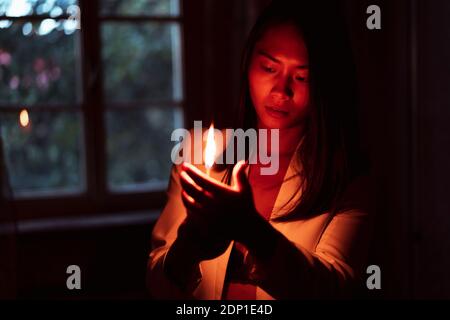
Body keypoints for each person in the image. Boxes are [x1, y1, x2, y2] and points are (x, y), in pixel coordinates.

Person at [147, 0, 374, 300]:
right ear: (248, 64)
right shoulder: (200, 153)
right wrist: (187, 250)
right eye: (269, 67)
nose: (281, 90)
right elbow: (157, 285)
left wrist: (254, 232)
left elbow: (337, 289)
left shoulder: (344, 178)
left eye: (302, 77)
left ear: (326, 84)